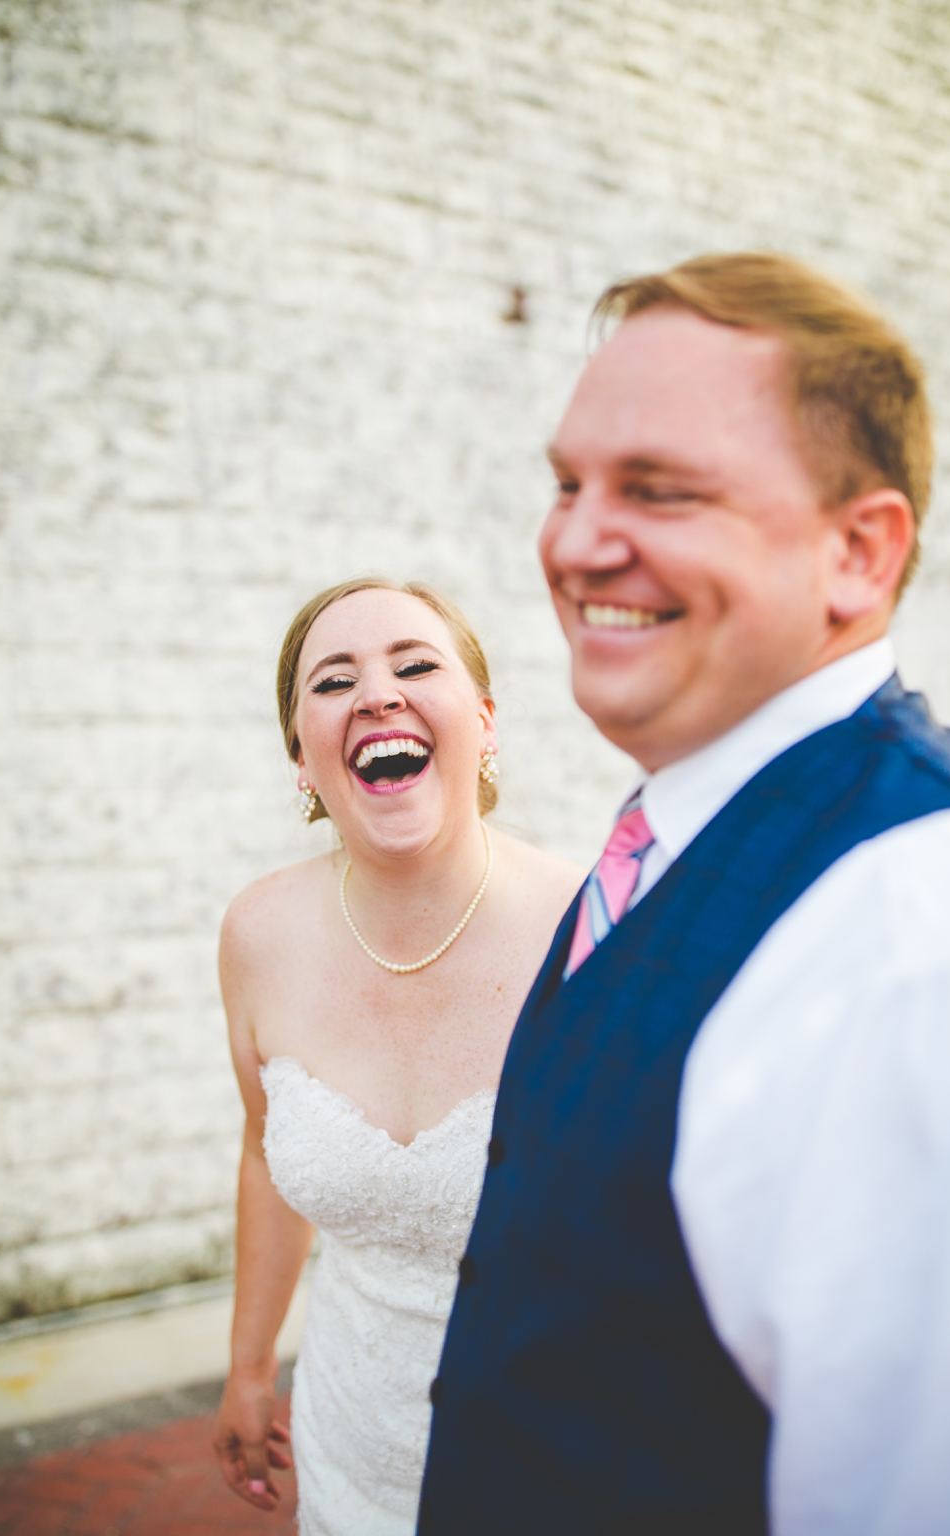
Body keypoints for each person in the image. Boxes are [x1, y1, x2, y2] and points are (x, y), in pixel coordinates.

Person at [419, 254, 950, 1535]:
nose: (573, 542)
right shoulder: (673, 829)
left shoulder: (930, 932)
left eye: (661, 491)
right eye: (567, 483)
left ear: (858, 551)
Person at [212, 577, 583, 1534]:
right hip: (348, 1448)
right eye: (333, 681)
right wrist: (251, 1368)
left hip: (554, 1455)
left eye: (416, 666)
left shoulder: (591, 931)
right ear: (302, 758)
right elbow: (266, 1151)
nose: (378, 694)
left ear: (485, 724)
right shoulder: (258, 934)